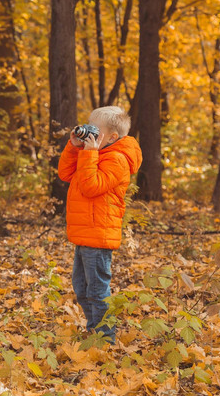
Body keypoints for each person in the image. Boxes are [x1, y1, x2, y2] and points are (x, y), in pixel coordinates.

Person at [58, 106, 142, 344]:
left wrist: (89, 153)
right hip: (85, 233)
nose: (90, 133)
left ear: (112, 137)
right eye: (89, 126)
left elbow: (91, 186)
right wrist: (75, 147)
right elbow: (65, 173)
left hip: (99, 234)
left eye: (96, 130)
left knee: (96, 291)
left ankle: (105, 340)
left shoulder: (117, 159)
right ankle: (94, 331)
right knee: (82, 288)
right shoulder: (95, 153)